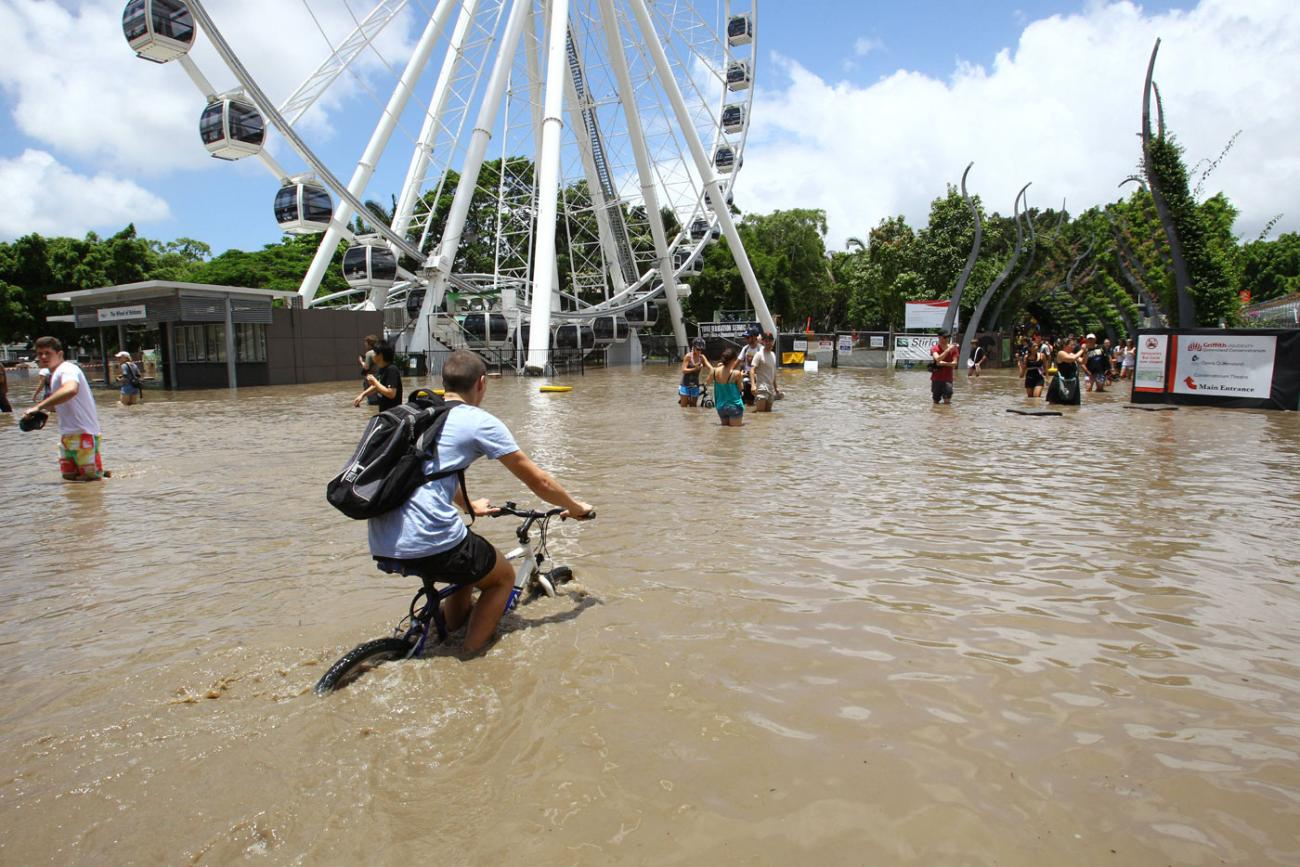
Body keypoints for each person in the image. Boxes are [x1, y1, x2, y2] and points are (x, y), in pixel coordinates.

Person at [367, 350, 594, 654]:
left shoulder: (422, 415)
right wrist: (577, 508)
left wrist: (468, 505)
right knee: (502, 577)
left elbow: (425, 471)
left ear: (442, 382)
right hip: (426, 538)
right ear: (482, 383)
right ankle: (471, 659)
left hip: (382, 537)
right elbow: (537, 480)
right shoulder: (477, 421)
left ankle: (447, 635)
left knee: (468, 569)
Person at [24, 336, 107, 481]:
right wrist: (41, 411)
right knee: (68, 477)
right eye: (40, 354)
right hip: (66, 436)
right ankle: (102, 472)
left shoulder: (67, 369)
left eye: (48, 353)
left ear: (60, 354)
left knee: (91, 480)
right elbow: (62, 403)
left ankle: (102, 477)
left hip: (84, 434)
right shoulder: (54, 374)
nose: (43, 357)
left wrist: (39, 405)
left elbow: (71, 389)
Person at [352, 341, 402, 412]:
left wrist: (374, 381)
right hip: (384, 412)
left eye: (374, 353)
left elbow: (391, 393)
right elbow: (378, 386)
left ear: (380, 355)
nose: (373, 356)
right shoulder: (382, 369)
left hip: (393, 414)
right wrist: (362, 395)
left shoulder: (392, 369)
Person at [701, 346, 744, 426]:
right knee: (735, 433)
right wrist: (741, 376)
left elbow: (707, 382)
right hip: (734, 405)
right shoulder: (736, 373)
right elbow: (741, 389)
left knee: (725, 432)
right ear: (733, 360)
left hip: (721, 407)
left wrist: (717, 368)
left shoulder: (714, 371)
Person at [1045, 337, 1085, 405]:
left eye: (1074, 345)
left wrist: (1086, 352)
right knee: (1055, 405)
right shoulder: (1061, 353)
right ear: (1064, 345)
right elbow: (1071, 359)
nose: (1073, 347)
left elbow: (1083, 362)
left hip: (1072, 382)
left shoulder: (1072, 354)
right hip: (1060, 382)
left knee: (1073, 407)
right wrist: (1082, 350)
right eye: (1071, 345)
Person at [750, 331, 781, 412]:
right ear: (763, 341)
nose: (768, 342)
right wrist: (753, 385)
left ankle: (750, 413)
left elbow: (773, 373)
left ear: (772, 341)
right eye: (766, 340)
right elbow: (752, 370)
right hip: (761, 387)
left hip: (770, 389)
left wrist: (776, 387)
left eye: (770, 340)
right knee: (760, 414)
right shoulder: (759, 354)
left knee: (767, 414)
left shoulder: (773, 355)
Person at [929, 330, 959, 405]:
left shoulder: (954, 349)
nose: (946, 339)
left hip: (948, 379)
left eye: (948, 337)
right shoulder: (934, 348)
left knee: (947, 401)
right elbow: (938, 359)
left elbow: (955, 364)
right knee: (936, 402)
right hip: (936, 379)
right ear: (939, 337)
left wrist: (942, 363)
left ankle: (946, 416)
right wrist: (948, 350)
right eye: (944, 337)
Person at [737, 326, 760, 406]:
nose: (745, 339)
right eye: (745, 337)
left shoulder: (760, 350)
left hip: (757, 377)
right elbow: (737, 362)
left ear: (754, 337)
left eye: (747, 337)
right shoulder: (745, 348)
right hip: (745, 376)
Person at [679, 338, 706, 407]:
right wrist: (695, 369)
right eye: (698, 349)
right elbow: (683, 370)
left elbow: (708, 367)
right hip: (685, 384)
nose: (700, 351)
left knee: (693, 407)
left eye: (701, 349)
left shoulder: (702, 357)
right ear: (693, 347)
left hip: (695, 385)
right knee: (684, 407)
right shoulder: (688, 356)